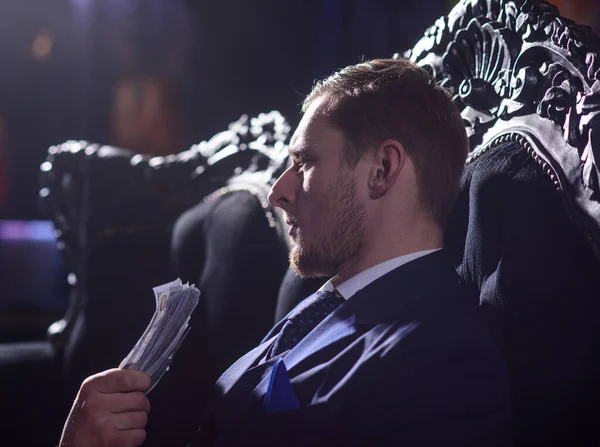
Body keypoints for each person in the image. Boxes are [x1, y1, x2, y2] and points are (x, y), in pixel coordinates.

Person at [59, 59, 512, 446]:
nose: (277, 192)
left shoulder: (442, 366)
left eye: (305, 163)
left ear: (383, 170)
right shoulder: (327, 305)